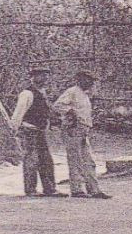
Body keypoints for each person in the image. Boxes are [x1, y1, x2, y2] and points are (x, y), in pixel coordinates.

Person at [53, 70, 110, 199]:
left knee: (88, 161)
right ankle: (77, 189)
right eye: (88, 80)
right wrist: (70, 112)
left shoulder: (85, 94)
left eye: (91, 80)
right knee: (76, 159)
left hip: (83, 129)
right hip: (73, 128)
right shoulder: (72, 91)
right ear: (80, 80)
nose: (90, 83)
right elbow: (57, 105)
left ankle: (93, 189)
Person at [7, 68, 60, 197]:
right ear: (33, 78)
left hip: (41, 130)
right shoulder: (27, 94)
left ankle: (50, 188)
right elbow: (19, 113)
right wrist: (14, 130)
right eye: (41, 76)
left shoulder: (42, 93)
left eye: (46, 76)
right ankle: (30, 189)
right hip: (29, 130)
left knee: (46, 160)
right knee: (31, 159)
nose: (45, 79)